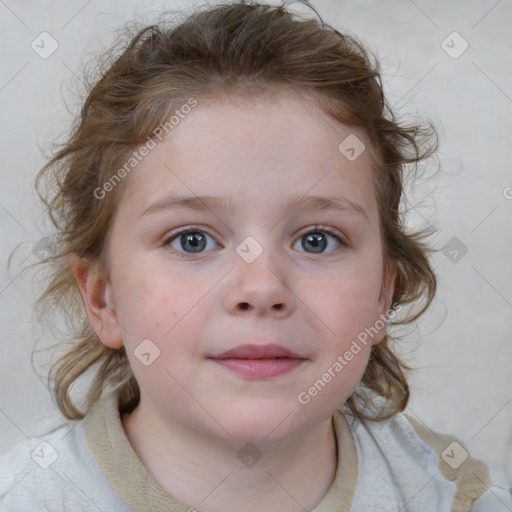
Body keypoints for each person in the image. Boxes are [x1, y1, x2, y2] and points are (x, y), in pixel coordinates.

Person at [0, 2, 510, 511]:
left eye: (317, 239)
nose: (262, 289)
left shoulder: (449, 495)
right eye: (192, 240)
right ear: (103, 299)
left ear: (383, 294)